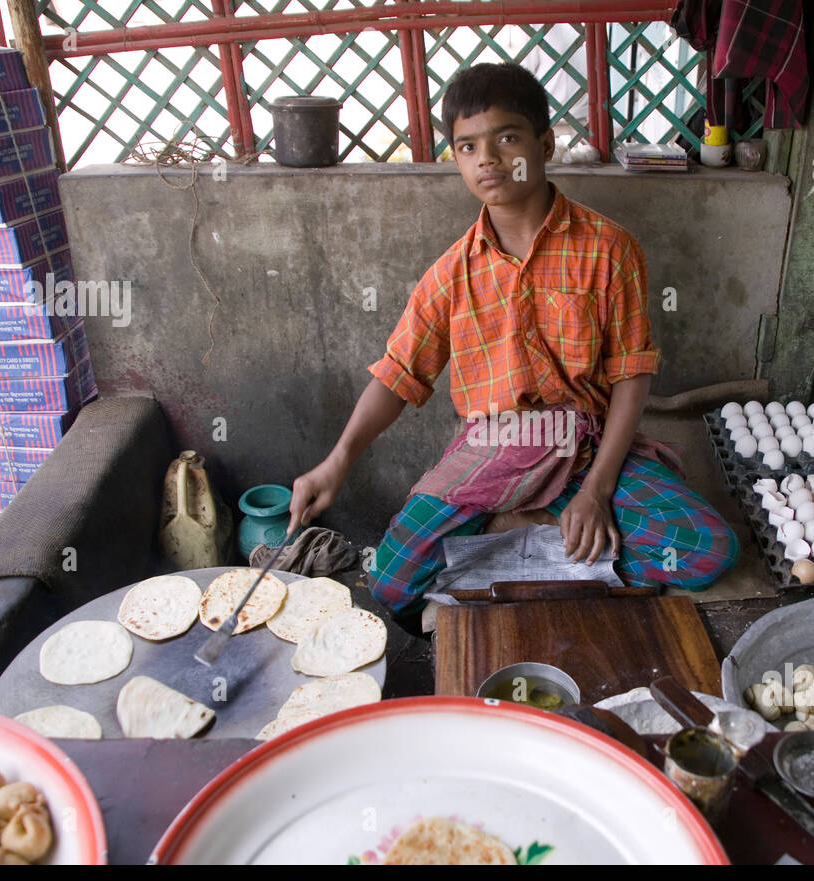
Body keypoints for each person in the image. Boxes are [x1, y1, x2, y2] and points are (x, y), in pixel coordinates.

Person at [287, 63, 738, 622]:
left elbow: (632, 373)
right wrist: (336, 463)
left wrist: (597, 491)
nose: (487, 160)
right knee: (389, 580)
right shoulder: (451, 273)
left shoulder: (608, 249)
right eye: (467, 146)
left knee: (706, 549)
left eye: (506, 138)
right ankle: (530, 537)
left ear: (544, 144)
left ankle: (525, 543)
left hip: (587, 449)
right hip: (491, 454)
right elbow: (399, 373)